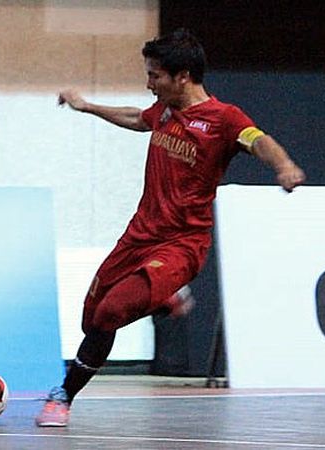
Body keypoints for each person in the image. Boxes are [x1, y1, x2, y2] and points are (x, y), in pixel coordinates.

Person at [37, 28, 305, 427]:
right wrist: (87, 106)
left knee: (111, 312)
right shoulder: (163, 110)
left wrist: (283, 165)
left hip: (182, 244)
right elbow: (136, 118)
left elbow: (260, 141)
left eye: (155, 76)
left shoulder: (224, 119)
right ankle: (164, 298)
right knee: (91, 320)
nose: (149, 83)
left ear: (183, 76)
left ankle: (63, 395)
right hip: (138, 237)